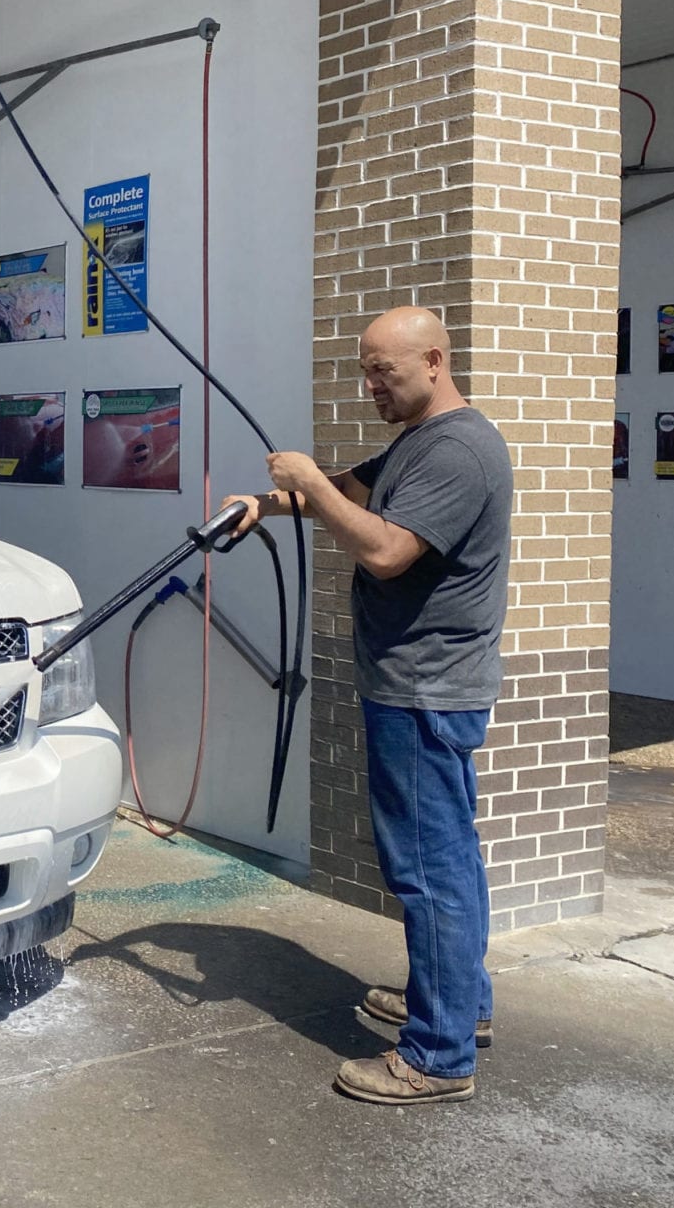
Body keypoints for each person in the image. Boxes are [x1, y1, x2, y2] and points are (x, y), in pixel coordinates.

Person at [225, 306, 513, 1105]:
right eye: (364, 370)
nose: (369, 385)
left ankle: (437, 1056)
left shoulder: (459, 450)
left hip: (424, 689)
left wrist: (309, 482)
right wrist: (267, 505)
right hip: (420, 684)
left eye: (382, 371)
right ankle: (459, 1007)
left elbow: (386, 549)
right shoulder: (421, 444)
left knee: (430, 870)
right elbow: (357, 491)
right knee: (446, 857)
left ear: (433, 361)